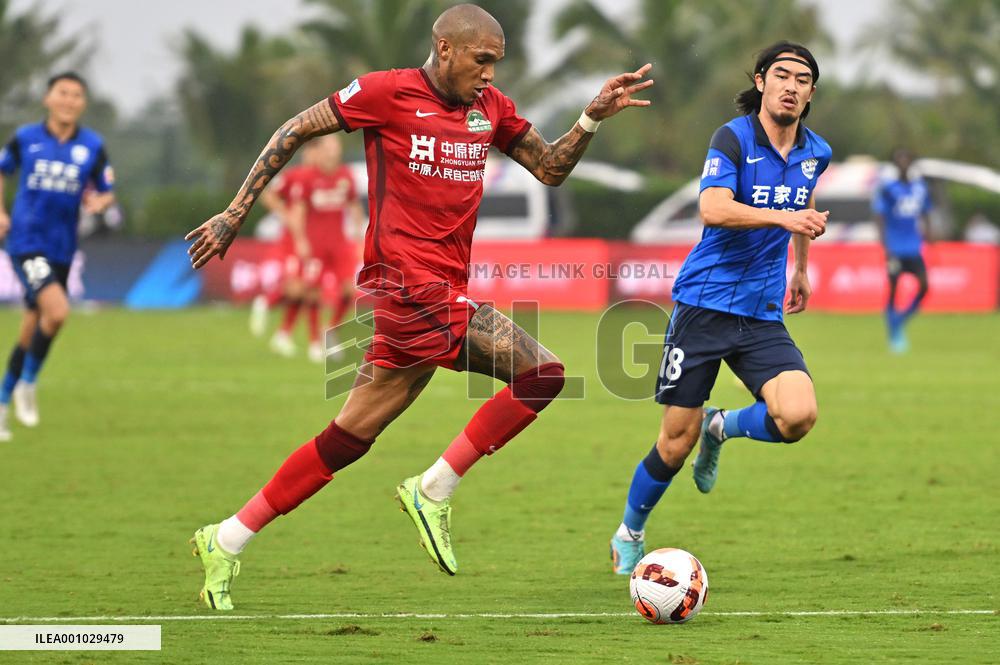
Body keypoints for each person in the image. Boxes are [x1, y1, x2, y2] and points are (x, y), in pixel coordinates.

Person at [185, 3, 653, 610]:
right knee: (543, 374)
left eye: (496, 63)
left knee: (347, 438)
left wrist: (591, 116)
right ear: (445, 48)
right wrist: (235, 212)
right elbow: (294, 130)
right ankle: (433, 488)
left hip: (433, 292)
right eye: (481, 60)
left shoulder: (491, 109)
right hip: (407, 287)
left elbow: (550, 168)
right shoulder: (386, 94)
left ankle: (226, 538)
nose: (489, 74)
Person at [608, 42, 831, 575]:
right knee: (673, 442)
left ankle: (721, 428)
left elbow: (802, 207)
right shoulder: (732, 138)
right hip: (704, 303)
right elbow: (713, 208)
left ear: (810, 93)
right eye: (781, 75)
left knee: (799, 416)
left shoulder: (816, 150)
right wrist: (784, 224)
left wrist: (798, 268)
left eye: (802, 79)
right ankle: (629, 531)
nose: (791, 86)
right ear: (760, 82)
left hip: (760, 312)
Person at [0, 72, 115, 442]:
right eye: (62, 93)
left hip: (63, 247)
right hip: (27, 241)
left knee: (34, 325)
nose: (69, 100)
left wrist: (100, 200)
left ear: (83, 103)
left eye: (76, 95)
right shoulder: (25, 139)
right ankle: (28, 382)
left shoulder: (93, 146)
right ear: (48, 98)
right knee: (58, 310)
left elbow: (107, 190)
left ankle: (3, 403)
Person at [277, 134, 363, 363]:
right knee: (311, 292)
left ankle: (331, 329)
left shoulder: (345, 175)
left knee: (349, 291)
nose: (333, 150)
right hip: (315, 243)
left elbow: (354, 205)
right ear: (321, 149)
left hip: (339, 243)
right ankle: (314, 341)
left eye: (336, 146)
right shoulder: (306, 177)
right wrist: (301, 239)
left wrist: (358, 233)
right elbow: (300, 210)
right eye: (329, 146)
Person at [248, 142, 320, 346]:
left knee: (308, 288)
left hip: (314, 241)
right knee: (298, 288)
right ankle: (267, 302)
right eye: (315, 151)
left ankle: (284, 334)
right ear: (308, 152)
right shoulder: (294, 176)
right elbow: (268, 196)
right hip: (295, 240)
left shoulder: (322, 178)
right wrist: (285, 215)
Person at [872, 148, 932, 353]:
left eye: (907, 158)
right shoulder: (888, 189)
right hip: (895, 248)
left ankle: (899, 320)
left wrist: (929, 234)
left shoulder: (920, 188)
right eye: (900, 159)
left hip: (914, 247)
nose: (904, 162)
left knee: (924, 286)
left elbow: (925, 212)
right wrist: (884, 244)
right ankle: (894, 333)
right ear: (895, 164)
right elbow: (879, 216)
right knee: (894, 288)